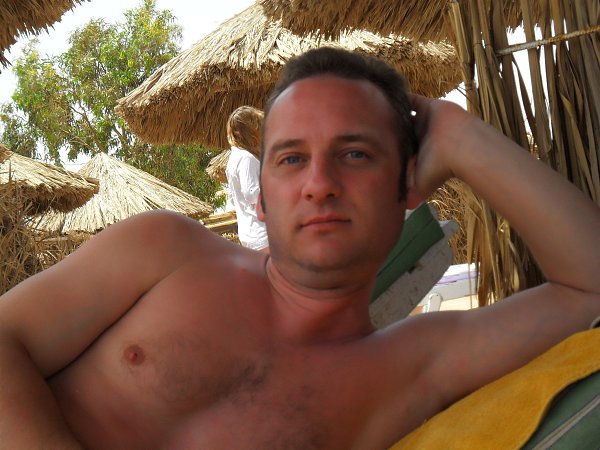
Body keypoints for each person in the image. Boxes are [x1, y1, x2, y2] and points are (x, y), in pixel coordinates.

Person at [0, 47, 599, 449]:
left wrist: (459, 134)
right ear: (262, 197)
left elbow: (590, 286)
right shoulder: (166, 250)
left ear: (407, 186)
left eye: (355, 154)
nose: (319, 184)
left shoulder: (410, 368)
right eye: (291, 159)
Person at [225, 105, 269, 250]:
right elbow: (252, 193)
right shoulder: (246, 158)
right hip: (262, 233)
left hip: (251, 233)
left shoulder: (235, 158)